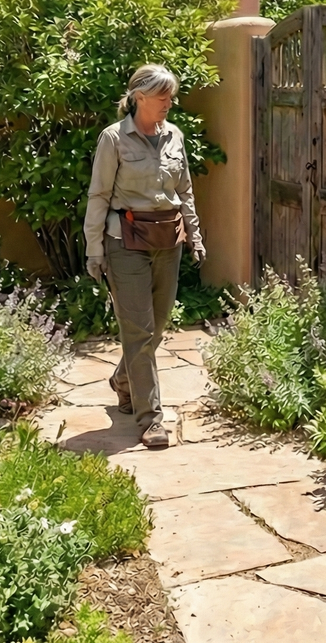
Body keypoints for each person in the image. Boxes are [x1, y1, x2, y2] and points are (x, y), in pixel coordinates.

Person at [83, 64, 206, 448]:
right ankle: (151, 417)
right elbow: (99, 196)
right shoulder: (114, 139)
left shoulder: (175, 136)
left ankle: (123, 379)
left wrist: (195, 236)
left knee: (158, 325)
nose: (170, 102)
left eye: (171, 96)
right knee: (138, 331)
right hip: (125, 243)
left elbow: (184, 191)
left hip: (167, 241)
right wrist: (95, 249)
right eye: (163, 96)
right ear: (139, 97)